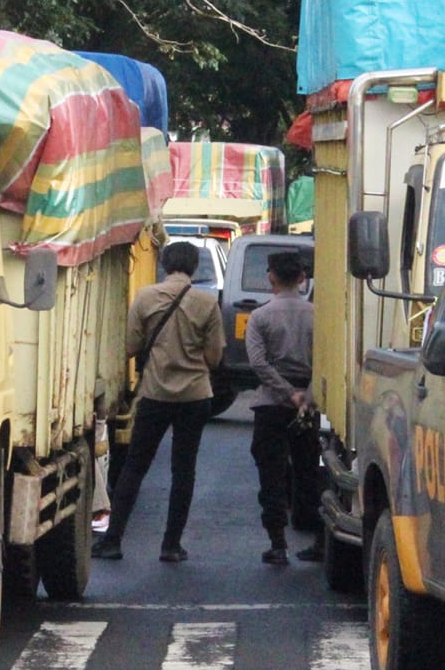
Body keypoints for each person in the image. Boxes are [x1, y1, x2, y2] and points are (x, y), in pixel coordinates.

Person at [93, 241, 223, 563]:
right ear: (193, 267)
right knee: (184, 470)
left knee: (135, 467)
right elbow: (215, 356)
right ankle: (171, 545)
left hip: (155, 393)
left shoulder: (146, 297)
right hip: (195, 395)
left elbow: (131, 345)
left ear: (164, 264)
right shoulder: (207, 303)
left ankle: (113, 540)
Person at [244, 250, 323, 565]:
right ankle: (319, 540)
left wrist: (287, 393)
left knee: (271, 475)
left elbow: (259, 364)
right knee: (310, 474)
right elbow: (325, 362)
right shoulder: (317, 314)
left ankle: (278, 544)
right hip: (310, 404)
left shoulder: (260, 316)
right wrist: (306, 395)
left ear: (271, 277)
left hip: (271, 406)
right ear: (302, 278)